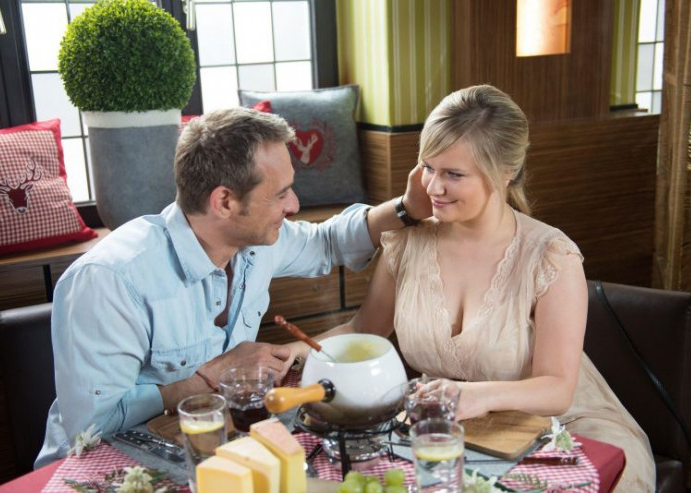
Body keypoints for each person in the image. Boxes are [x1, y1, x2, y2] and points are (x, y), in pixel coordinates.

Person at [300, 85, 655, 490]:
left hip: (567, 429)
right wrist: (292, 351)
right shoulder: (406, 241)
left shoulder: (552, 257)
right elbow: (364, 331)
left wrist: (475, 397)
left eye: (453, 174)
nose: (433, 187)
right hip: (459, 430)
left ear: (505, 172)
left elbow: (557, 389)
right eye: (428, 167)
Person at [35, 107, 431, 467]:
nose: (293, 205)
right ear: (224, 202)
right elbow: (92, 430)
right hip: (99, 471)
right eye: (280, 194)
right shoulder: (109, 280)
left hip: (207, 455)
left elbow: (329, 242)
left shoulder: (255, 242)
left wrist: (408, 208)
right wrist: (213, 376)